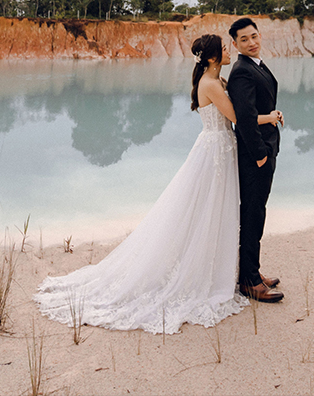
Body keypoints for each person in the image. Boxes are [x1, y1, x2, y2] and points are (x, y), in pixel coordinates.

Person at [33, 33, 248, 334]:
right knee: (204, 210)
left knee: (210, 211)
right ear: (212, 57)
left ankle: (210, 271)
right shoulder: (211, 84)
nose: (229, 51)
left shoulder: (217, 81)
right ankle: (199, 275)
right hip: (214, 150)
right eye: (224, 49)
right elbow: (238, 115)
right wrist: (268, 116)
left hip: (219, 149)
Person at [226, 17, 285, 302]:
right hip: (255, 155)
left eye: (254, 36)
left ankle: (253, 270)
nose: (251, 42)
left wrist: (274, 115)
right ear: (235, 44)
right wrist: (260, 155)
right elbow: (245, 119)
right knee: (252, 214)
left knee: (257, 212)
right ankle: (248, 281)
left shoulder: (256, 66)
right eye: (244, 39)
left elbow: (260, 107)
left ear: (260, 35)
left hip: (266, 147)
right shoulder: (241, 71)